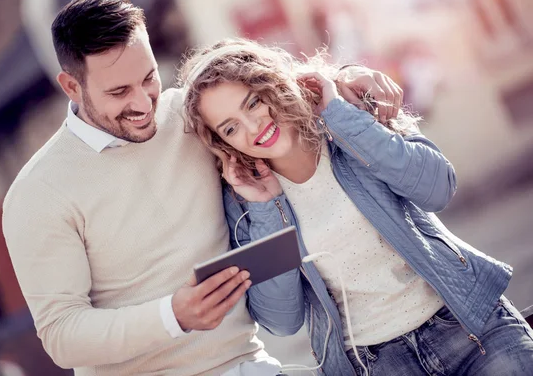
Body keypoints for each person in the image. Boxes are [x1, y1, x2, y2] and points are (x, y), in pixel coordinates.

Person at [1, 0, 402, 376]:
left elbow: (271, 95)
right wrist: (171, 316)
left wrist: (344, 77)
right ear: (71, 86)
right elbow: (61, 335)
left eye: (148, 78)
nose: (143, 104)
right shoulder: (38, 193)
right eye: (119, 91)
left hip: (250, 364)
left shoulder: (187, 116)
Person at [180, 38, 533, 376]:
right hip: (376, 363)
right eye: (230, 127)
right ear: (222, 142)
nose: (253, 126)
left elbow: (437, 188)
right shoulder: (243, 203)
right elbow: (281, 320)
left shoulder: (347, 113)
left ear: (273, 83)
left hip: (468, 325)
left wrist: (342, 116)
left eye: (253, 102)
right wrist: (266, 210)